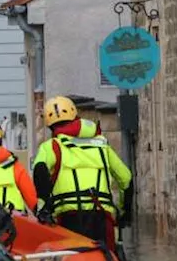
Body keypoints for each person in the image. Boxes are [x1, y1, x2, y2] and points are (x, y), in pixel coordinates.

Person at [32, 96, 133, 252]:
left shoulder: (51, 146)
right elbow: (126, 179)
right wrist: (125, 212)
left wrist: (44, 207)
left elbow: (39, 170)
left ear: (49, 125)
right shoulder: (102, 145)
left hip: (68, 218)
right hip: (102, 216)